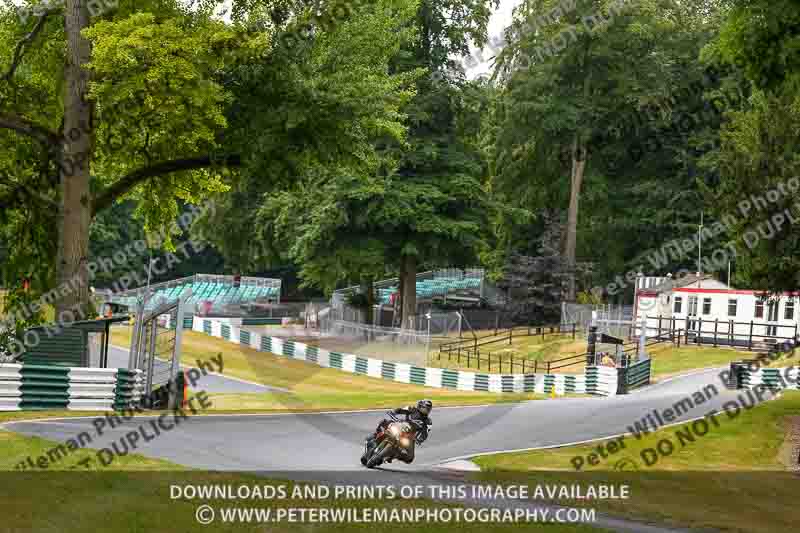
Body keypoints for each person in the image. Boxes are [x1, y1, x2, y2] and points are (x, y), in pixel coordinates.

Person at [364, 400, 433, 464]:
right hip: (400, 426)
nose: (426, 410)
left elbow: (425, 433)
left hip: (409, 436)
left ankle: (394, 455)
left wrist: (419, 439)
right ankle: (374, 436)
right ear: (420, 406)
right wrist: (393, 412)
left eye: (428, 409)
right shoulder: (412, 409)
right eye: (425, 408)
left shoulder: (428, 421)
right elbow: (400, 410)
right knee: (384, 422)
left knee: (410, 458)